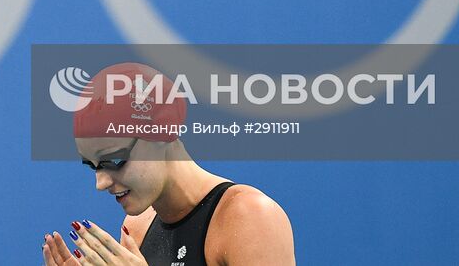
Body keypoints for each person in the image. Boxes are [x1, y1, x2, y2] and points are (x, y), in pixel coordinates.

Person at [42, 62, 294, 266]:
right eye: (93, 165)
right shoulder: (137, 227)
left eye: (114, 160)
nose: (101, 183)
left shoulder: (248, 216)